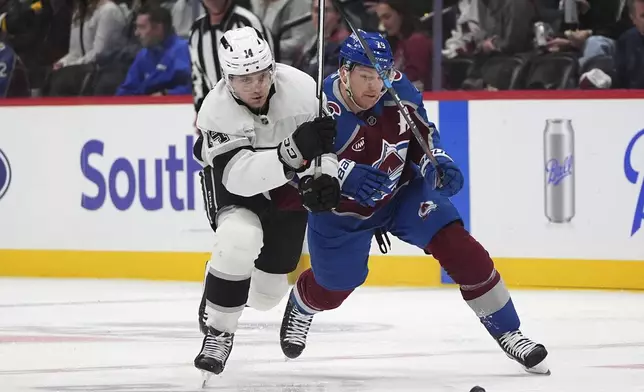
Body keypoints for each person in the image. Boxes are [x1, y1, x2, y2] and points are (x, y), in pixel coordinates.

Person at [279, 30, 550, 375]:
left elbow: (422, 137)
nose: (376, 86)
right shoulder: (313, 105)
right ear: (344, 72)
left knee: (460, 247)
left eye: (382, 75)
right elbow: (291, 166)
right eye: (366, 76)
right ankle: (303, 304)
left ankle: (510, 332)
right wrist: (343, 176)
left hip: (402, 193)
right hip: (341, 214)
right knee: (333, 289)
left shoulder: (398, 89)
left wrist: (437, 163)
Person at [191, 25, 340, 380]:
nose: (256, 86)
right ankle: (219, 333)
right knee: (239, 239)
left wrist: (324, 178)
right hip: (234, 185)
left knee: (268, 295)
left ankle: (218, 283)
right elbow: (238, 177)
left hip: (284, 191)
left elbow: (324, 149)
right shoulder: (215, 110)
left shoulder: (304, 90)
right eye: (244, 79)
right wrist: (290, 154)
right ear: (228, 79)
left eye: (261, 75)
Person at [115, 5, 191, 96]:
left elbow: (194, 87)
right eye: (136, 27)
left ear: (158, 28)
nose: (136, 33)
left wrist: (167, 94)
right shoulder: (143, 55)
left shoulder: (183, 50)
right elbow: (128, 88)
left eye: (142, 27)